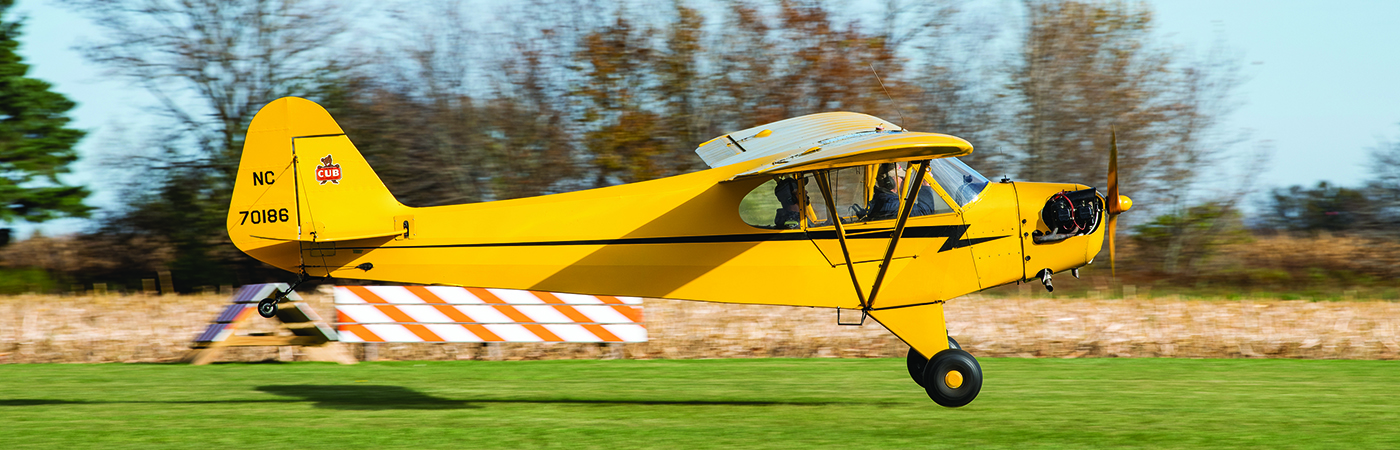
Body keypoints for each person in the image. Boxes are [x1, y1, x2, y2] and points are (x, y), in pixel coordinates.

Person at [868, 162, 938, 220]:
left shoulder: (883, 199)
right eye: (902, 177)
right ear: (890, 182)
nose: (905, 181)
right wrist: (925, 186)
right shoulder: (891, 203)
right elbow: (924, 214)